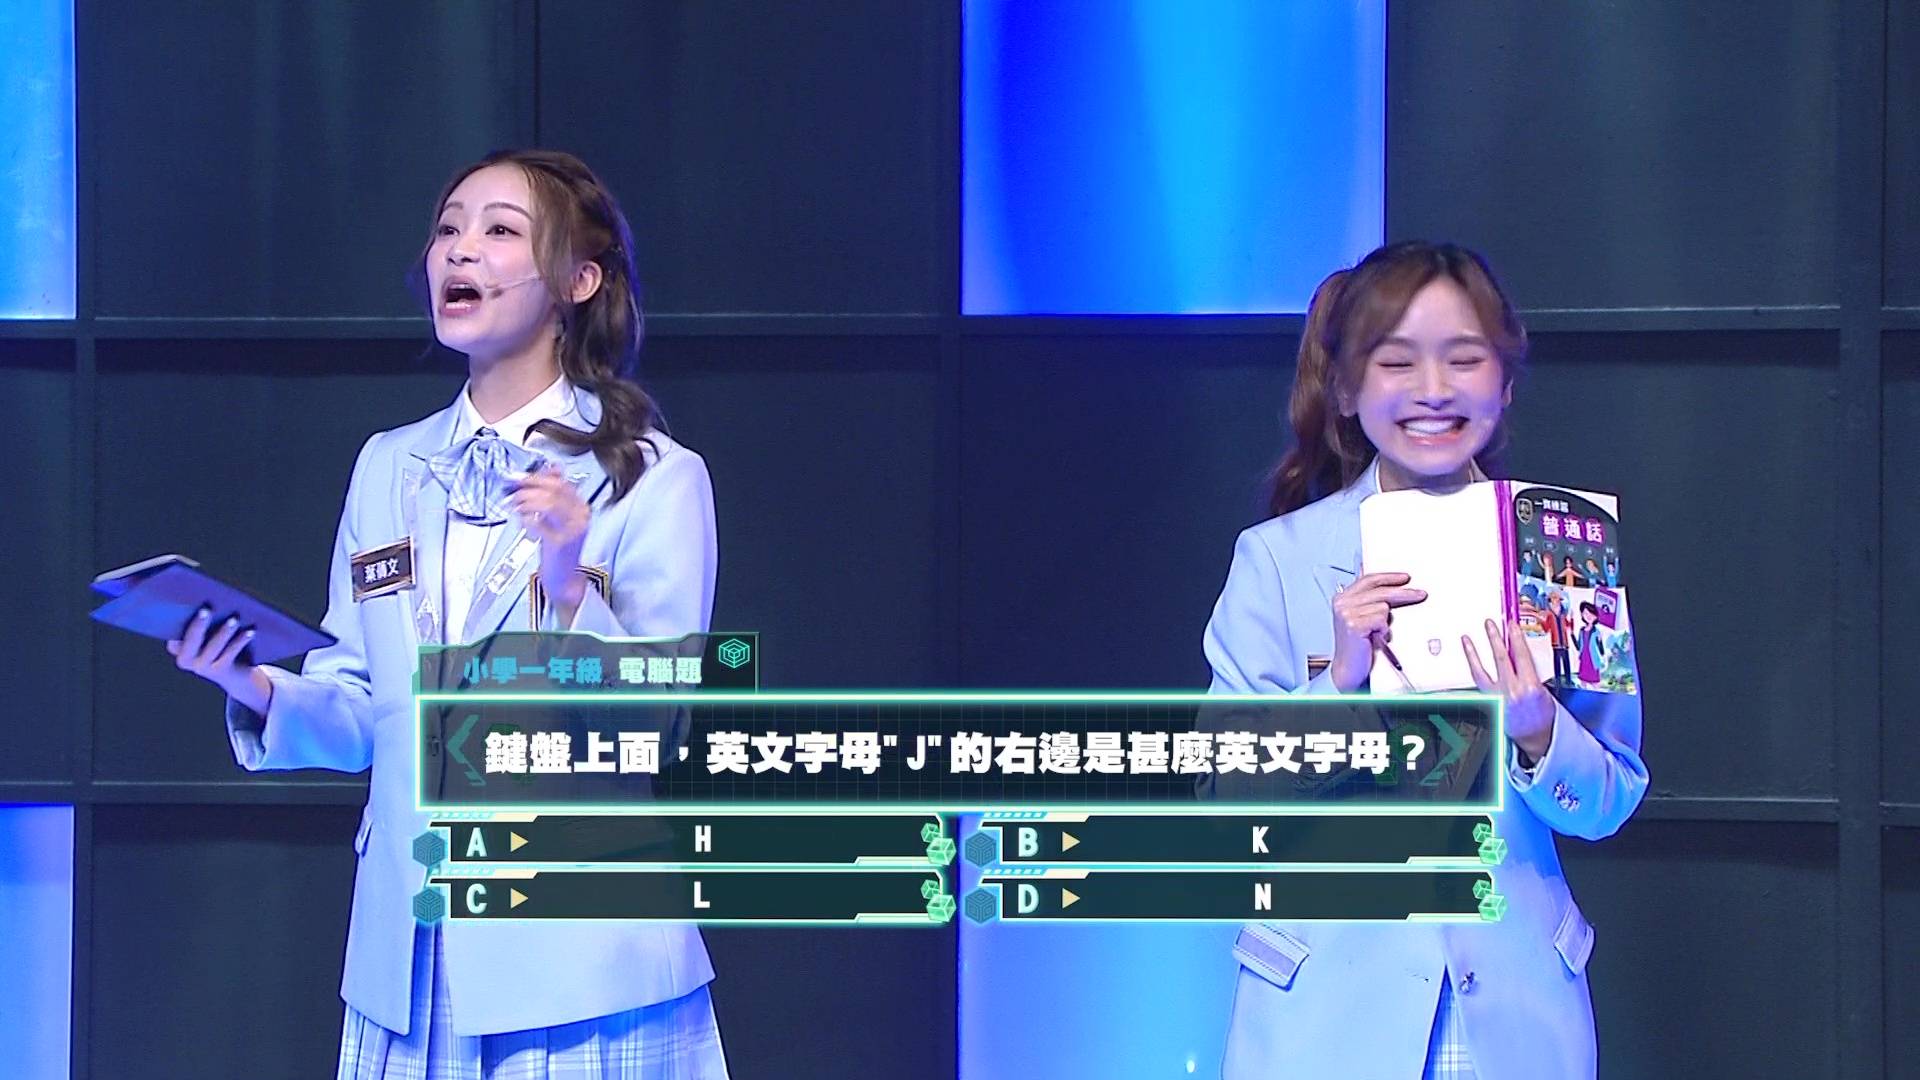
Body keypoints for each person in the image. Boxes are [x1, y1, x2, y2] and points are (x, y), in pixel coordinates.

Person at [166, 149, 729, 1078]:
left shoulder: (654, 476)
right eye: (448, 229)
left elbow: (658, 724)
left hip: (581, 961)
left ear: (578, 281)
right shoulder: (387, 465)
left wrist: (568, 581)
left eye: (500, 230)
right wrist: (255, 684)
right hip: (410, 954)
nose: (459, 251)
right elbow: (365, 708)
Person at [1202, 242, 1646, 1080]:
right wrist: (1337, 686)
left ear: (1505, 383)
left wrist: (1539, 733)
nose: (1434, 390)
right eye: (1397, 362)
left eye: (1464, 359)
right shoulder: (1278, 560)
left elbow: (1610, 799)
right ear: (1345, 388)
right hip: (1327, 1019)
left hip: (1514, 1012)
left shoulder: (1564, 550)